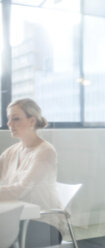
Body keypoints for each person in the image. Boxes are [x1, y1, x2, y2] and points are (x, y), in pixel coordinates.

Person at [0, 98, 64, 247]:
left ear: (32, 121)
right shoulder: (12, 151)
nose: (9, 124)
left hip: (42, 222)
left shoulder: (45, 152)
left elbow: (21, 190)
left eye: (16, 119)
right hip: (19, 218)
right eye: (9, 119)